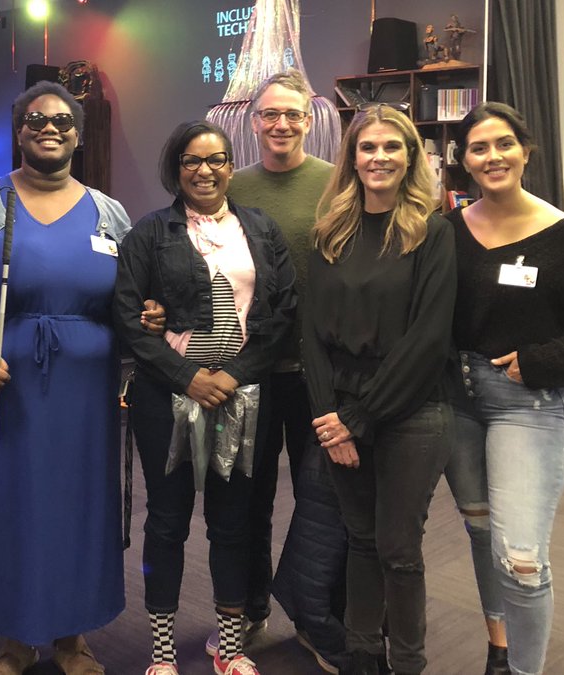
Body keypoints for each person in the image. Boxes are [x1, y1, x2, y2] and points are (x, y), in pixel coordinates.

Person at [0, 81, 129, 675]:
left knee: (78, 506)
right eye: (36, 119)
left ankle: (71, 637)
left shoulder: (109, 212)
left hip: (87, 395)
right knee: (7, 506)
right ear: (20, 131)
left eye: (62, 120)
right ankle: (13, 639)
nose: (49, 128)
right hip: (1, 387)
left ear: (78, 135)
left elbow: (135, 294)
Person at [114, 120, 297, 675]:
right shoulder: (150, 233)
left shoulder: (260, 229)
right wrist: (187, 376)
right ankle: (163, 654)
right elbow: (127, 315)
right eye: (191, 160)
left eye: (216, 159)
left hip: (243, 396)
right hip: (165, 395)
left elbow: (282, 312)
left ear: (231, 167)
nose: (204, 170)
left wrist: (234, 374)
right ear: (176, 169)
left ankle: (231, 648)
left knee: (233, 521)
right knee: (167, 521)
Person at [442, 102, 564, 675]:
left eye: (503, 144)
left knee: (520, 557)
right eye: (479, 148)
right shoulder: (451, 231)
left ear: (525, 151)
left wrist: (538, 363)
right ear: (465, 160)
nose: (492, 157)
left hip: (530, 404)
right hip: (460, 401)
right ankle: (499, 647)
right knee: (480, 530)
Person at [301, 105, 456, 675]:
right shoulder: (330, 234)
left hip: (411, 412)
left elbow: (428, 339)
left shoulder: (432, 233)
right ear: (352, 157)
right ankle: (364, 658)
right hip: (342, 412)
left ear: (412, 157)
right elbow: (311, 336)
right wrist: (331, 421)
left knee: (398, 549)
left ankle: (409, 663)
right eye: (368, 147)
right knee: (360, 541)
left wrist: (359, 419)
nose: (379, 157)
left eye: (393, 147)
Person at [211, 70, 339, 661]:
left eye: (292, 114)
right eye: (270, 114)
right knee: (248, 500)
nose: (281, 124)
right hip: (251, 371)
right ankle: (249, 609)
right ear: (253, 120)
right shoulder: (231, 188)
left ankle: (316, 616)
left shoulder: (336, 184)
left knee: (323, 505)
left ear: (309, 120)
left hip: (319, 373)